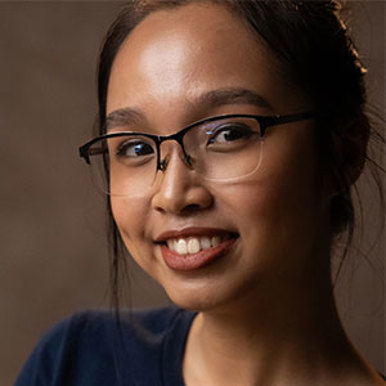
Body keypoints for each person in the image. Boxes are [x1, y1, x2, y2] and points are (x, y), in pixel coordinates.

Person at [16, 1, 385, 385]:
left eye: (228, 134)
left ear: (344, 153)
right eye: (137, 148)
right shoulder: (74, 364)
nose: (173, 195)